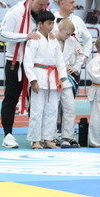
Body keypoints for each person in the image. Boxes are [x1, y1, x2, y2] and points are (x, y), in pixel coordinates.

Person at [0, 0, 50, 149]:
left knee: (37, 100)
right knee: (11, 98)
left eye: (46, 4)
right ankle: (7, 135)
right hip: (15, 62)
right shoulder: (16, 12)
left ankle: (36, 136)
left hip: (35, 63)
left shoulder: (43, 14)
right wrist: (25, 36)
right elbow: (2, 34)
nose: (43, 8)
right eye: (41, 4)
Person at [23, 10, 67, 149]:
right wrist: (33, 80)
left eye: (53, 23)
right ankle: (35, 140)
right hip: (39, 76)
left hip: (52, 78)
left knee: (52, 110)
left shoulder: (53, 40)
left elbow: (60, 60)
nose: (51, 26)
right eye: (49, 23)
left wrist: (61, 78)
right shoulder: (33, 40)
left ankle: (48, 139)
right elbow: (27, 62)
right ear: (40, 24)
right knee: (37, 111)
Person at [54, 18, 84, 148]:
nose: (68, 36)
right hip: (53, 78)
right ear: (60, 29)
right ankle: (51, 137)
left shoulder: (73, 41)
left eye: (70, 34)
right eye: (67, 33)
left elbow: (81, 56)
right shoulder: (50, 40)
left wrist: (76, 67)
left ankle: (68, 137)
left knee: (70, 108)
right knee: (53, 110)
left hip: (67, 79)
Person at [52, 0, 93, 65]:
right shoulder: (51, 20)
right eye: (71, 2)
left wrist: (85, 56)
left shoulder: (78, 21)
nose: (75, 5)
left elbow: (88, 38)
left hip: (73, 67)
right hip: (54, 65)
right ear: (62, 4)